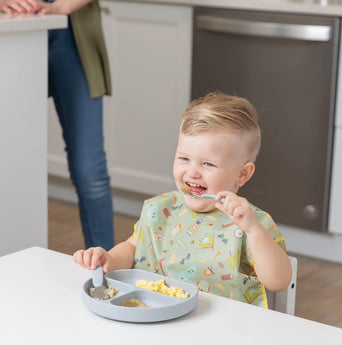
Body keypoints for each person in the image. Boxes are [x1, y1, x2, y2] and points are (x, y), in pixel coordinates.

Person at [73, 92, 292, 308]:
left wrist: (253, 231)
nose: (192, 172)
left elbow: (279, 281)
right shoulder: (161, 209)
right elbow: (133, 247)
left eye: (208, 164)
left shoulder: (249, 222)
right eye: (184, 159)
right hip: (154, 317)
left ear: (242, 174)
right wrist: (109, 260)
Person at [0, 0, 115, 250]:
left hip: (74, 32)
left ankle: (108, 273)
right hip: (11, 29)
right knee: (10, 162)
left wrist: (63, 6)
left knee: (90, 171)